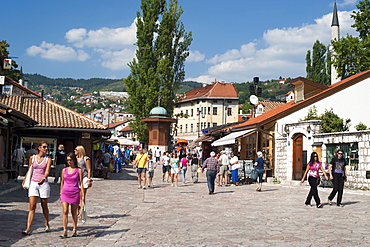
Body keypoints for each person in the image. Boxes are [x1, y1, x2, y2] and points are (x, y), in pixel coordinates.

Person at [21, 141, 52, 235]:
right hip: (34, 183)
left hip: (43, 183)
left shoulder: (48, 159)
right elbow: (30, 169)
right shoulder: (32, 158)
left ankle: (47, 224)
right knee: (32, 206)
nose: (46, 148)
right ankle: (28, 228)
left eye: (47, 147)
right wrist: (25, 180)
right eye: (44, 147)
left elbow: (47, 171)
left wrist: (44, 178)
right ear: (39, 148)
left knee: (44, 205)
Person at [60, 153, 83, 238]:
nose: (69, 162)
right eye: (67, 160)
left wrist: (82, 195)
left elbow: (81, 183)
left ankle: (74, 229)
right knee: (65, 211)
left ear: (74, 160)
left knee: (74, 212)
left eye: (70, 160)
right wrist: (61, 192)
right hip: (65, 192)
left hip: (75, 192)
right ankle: (65, 230)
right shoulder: (64, 170)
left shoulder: (78, 170)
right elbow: (62, 182)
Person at [74, 145, 92, 223]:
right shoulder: (75, 159)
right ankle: (78, 211)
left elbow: (89, 169)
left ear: (80, 150)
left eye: (76, 149)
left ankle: (81, 212)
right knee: (77, 196)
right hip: (76, 178)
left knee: (82, 196)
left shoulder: (85, 159)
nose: (75, 150)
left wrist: (89, 179)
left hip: (84, 178)